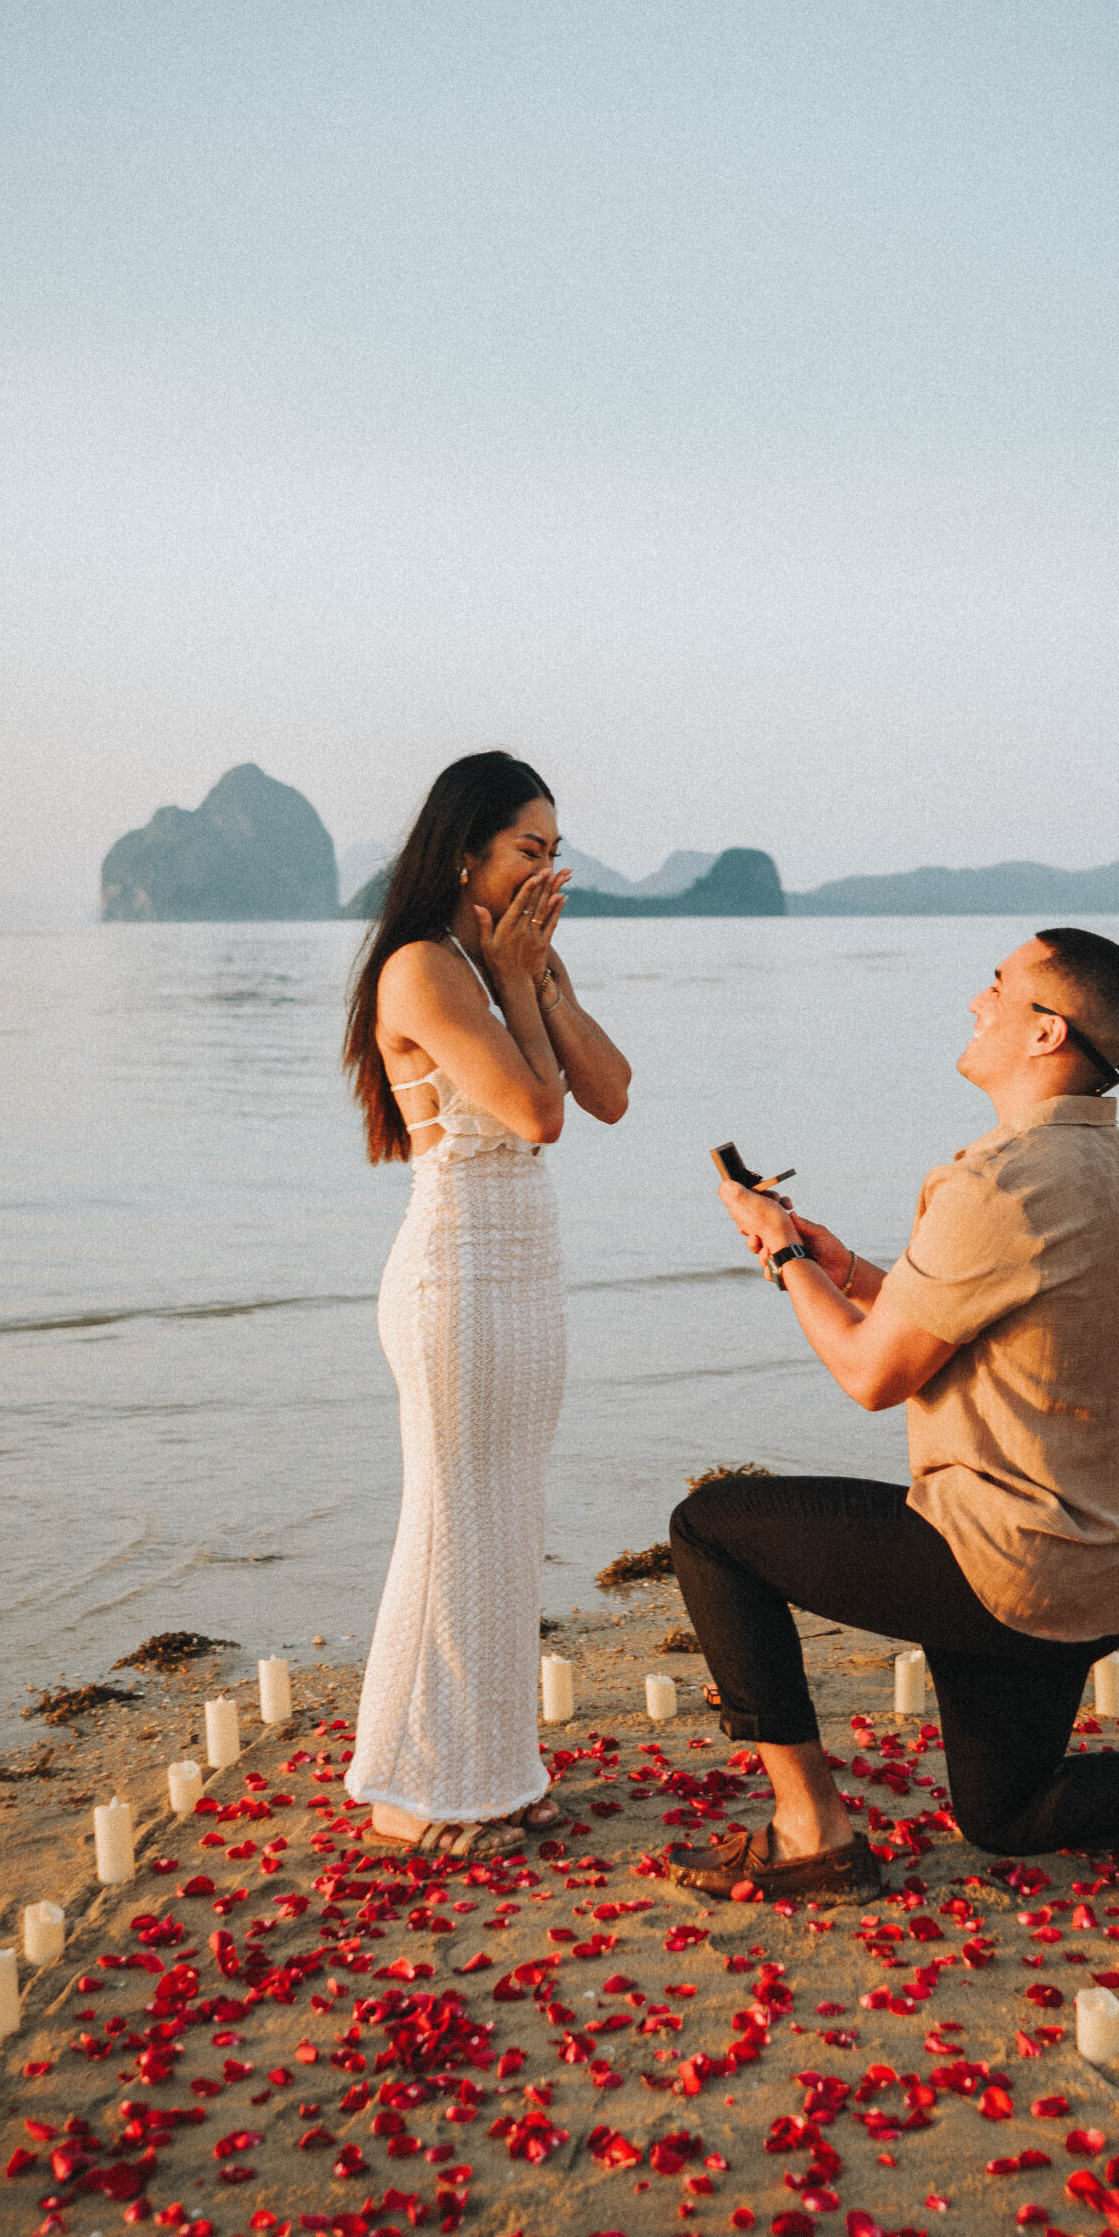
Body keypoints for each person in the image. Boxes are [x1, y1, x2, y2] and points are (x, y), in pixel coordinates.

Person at [665, 927, 1119, 1917]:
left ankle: (808, 1830)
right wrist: (840, 1268)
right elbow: (976, 1315)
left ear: (1045, 1032)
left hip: (1005, 1566)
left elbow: (871, 1373)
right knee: (1006, 1811)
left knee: (709, 1528)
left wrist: (781, 1255)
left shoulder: (999, 1180)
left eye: (995, 987)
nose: (975, 1002)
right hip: (1102, 1570)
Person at [342, 752, 631, 1857]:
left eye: (555, 852)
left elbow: (608, 1094)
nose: (546, 871)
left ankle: (492, 1773)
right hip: (455, 1274)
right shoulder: (422, 967)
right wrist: (516, 981)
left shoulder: (514, 960)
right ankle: (408, 1787)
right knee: (452, 1519)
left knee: (508, 1522)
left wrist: (538, 977)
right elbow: (533, 1114)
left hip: (522, 1270)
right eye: (527, 849)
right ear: (466, 852)